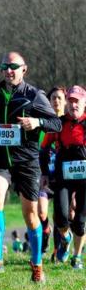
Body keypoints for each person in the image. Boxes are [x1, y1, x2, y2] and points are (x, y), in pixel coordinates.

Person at [0, 52, 61, 282]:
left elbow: (56, 123)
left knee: (30, 215)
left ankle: (37, 263)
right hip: (1, 159)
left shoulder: (35, 95)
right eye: (5, 66)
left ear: (24, 69)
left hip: (27, 161)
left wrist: (37, 122)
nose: (9, 70)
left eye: (14, 66)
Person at [43, 85, 86, 269]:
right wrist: (44, 173)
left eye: (77, 101)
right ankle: (65, 237)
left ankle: (77, 256)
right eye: (71, 100)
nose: (73, 104)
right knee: (60, 216)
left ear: (84, 103)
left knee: (80, 221)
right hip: (63, 177)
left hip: (84, 179)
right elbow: (43, 148)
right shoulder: (58, 123)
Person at [39, 86, 67, 258]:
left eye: (59, 98)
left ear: (64, 100)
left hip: (62, 174)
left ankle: (58, 249)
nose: (56, 101)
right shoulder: (44, 122)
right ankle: (46, 230)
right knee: (41, 211)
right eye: (53, 98)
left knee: (60, 212)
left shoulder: (69, 122)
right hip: (44, 174)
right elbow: (39, 148)